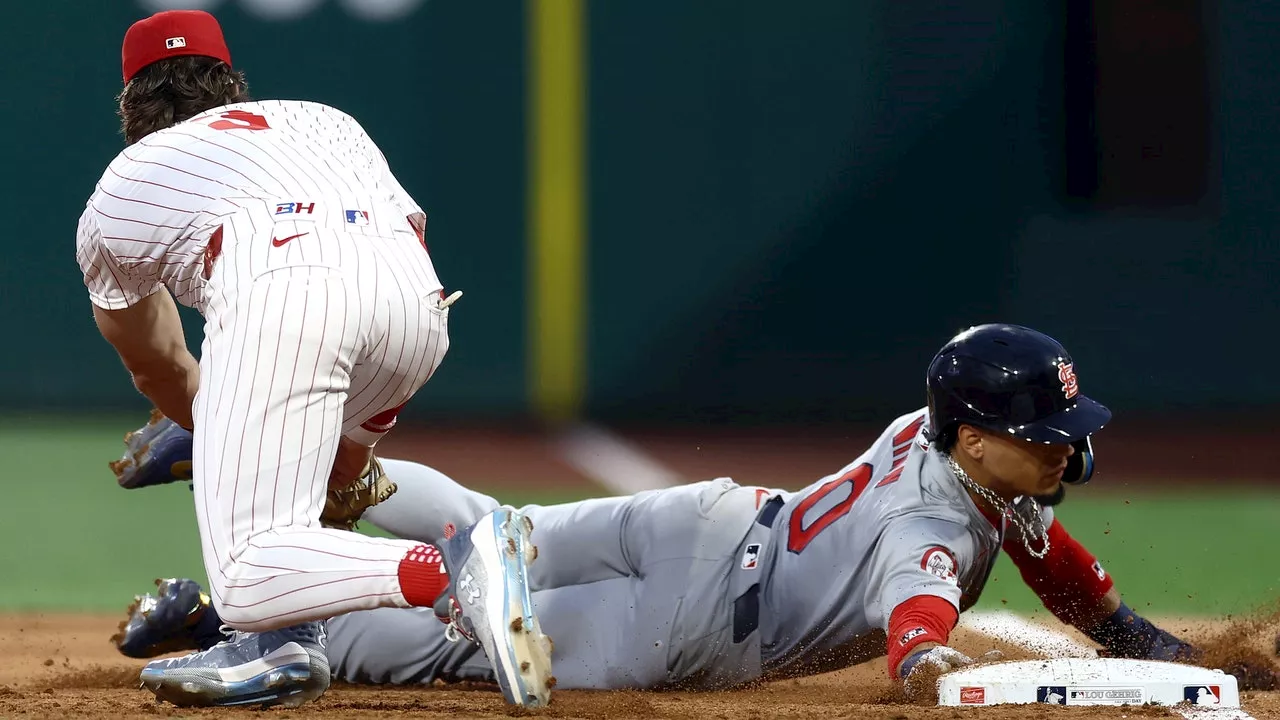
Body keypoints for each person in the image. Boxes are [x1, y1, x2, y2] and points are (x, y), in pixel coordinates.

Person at [112, 324, 1258, 697]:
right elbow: (918, 640)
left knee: (489, 532)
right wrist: (932, 670)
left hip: (696, 523)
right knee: (451, 644)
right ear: (975, 436)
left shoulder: (938, 446)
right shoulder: (938, 529)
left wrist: (1165, 653)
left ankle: (231, 436)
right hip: (683, 628)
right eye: (1045, 435)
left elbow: (1066, 577)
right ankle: (228, 629)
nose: (1067, 449)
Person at [76, 9, 550, 708]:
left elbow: (163, 367)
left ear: (130, 105)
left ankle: (455, 574)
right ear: (230, 83)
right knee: (312, 505)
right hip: (416, 304)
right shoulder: (325, 119)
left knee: (245, 569)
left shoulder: (124, 182)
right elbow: (403, 236)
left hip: (284, 294)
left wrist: (214, 436)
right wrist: (331, 467)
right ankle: (286, 645)